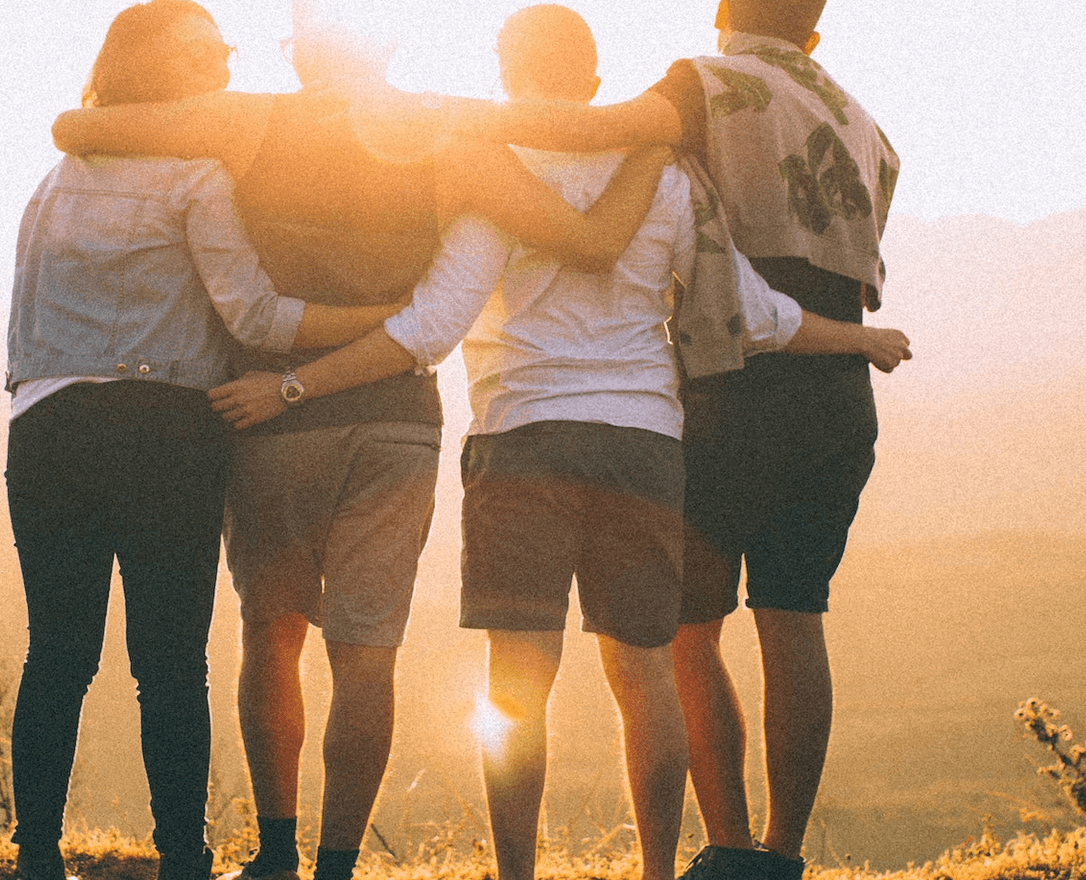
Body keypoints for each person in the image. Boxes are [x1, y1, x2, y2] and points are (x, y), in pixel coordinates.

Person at [206, 9, 909, 880]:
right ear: (590, 76)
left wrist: (293, 383)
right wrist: (857, 339)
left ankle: (516, 874)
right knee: (645, 670)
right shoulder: (667, 175)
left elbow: (431, 327)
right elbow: (748, 313)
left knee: (517, 684)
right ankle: (658, 868)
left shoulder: (497, 177)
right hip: (645, 443)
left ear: (506, 70)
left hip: (522, 441)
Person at [50, 6, 672, 880]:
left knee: (271, 634)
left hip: (268, 416)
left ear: (302, 48)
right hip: (396, 424)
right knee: (364, 652)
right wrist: (654, 139)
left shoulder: (246, 120)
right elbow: (589, 240)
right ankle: (337, 864)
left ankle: (274, 856)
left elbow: (77, 125)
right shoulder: (450, 133)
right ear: (387, 43)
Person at [454, 2, 903, 878]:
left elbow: (594, 127)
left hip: (726, 374)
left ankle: (726, 848)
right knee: (795, 615)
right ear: (813, 34)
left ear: (722, 15)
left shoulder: (706, 82)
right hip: (833, 380)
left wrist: (439, 118)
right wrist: (854, 337)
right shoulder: (862, 121)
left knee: (687, 633)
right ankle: (780, 854)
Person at [1, 4, 414, 879]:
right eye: (209, 51)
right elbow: (257, 315)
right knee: (169, 664)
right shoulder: (196, 177)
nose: (226, 60)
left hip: (44, 427)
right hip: (162, 429)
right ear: (171, 71)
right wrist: (392, 321)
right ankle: (182, 861)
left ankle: (36, 855)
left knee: (57, 652)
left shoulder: (57, 178)